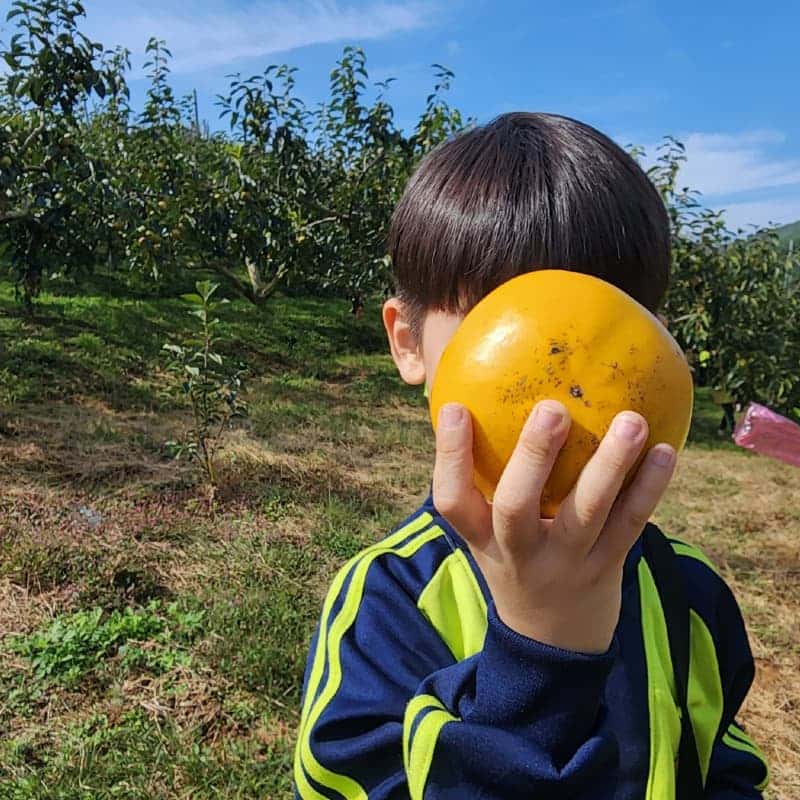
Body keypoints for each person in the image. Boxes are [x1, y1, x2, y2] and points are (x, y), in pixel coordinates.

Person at [293, 112, 769, 798]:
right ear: (409, 343)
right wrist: (541, 647)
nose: (557, 392)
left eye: (604, 320)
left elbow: (720, 762)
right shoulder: (385, 604)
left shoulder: (690, 593)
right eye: (505, 317)